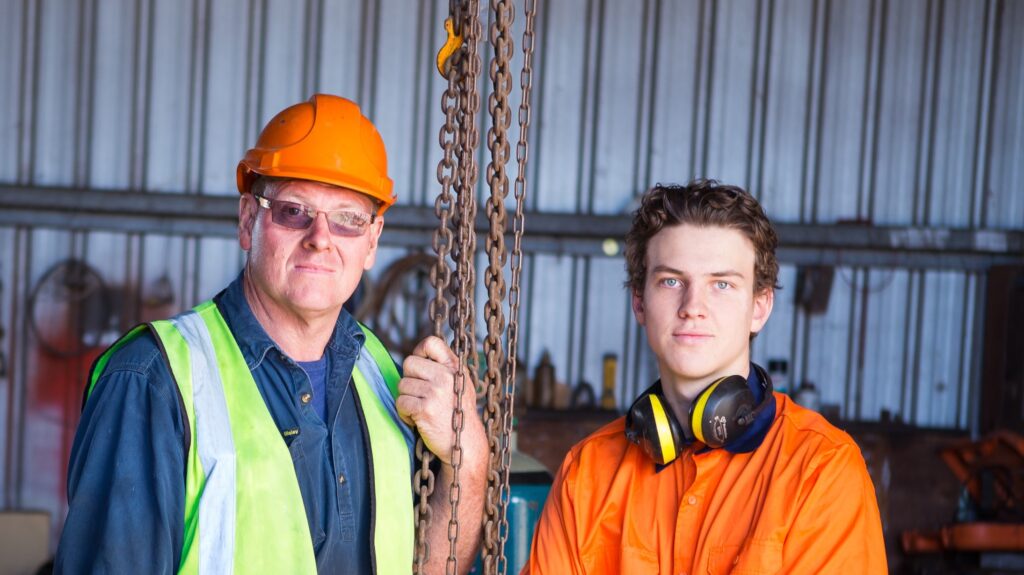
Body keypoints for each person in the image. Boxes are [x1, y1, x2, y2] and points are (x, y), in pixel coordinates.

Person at [55, 94, 488, 574]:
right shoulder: (154, 380)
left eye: (347, 218)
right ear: (248, 221)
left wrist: (468, 464)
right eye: (293, 210)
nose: (320, 237)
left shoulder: (382, 377)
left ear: (372, 241)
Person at [524, 180, 886, 573]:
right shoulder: (589, 472)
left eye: (722, 284)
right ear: (640, 303)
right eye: (672, 281)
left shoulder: (820, 471)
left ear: (760, 307)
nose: (692, 306)